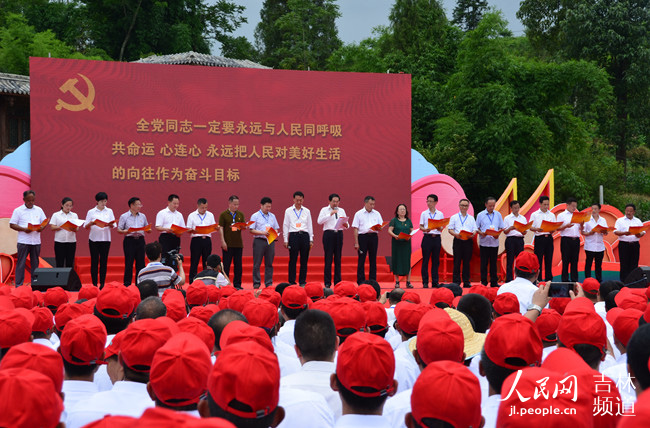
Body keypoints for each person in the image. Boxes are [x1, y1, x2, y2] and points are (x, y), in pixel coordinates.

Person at [9, 190, 47, 286]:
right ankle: (19, 285)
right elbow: (12, 224)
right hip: (24, 241)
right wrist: (24, 229)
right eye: (29, 200)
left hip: (36, 241)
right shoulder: (18, 210)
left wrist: (41, 228)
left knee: (35, 264)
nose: (31, 202)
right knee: (21, 263)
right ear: (24, 199)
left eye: (33, 200)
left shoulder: (39, 209)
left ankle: (35, 285)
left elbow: (44, 222)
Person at [84, 191, 115, 288]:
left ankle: (102, 283)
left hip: (106, 239)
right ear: (97, 201)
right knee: (94, 261)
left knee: (104, 262)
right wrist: (92, 223)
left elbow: (114, 225)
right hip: (94, 239)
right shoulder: (91, 212)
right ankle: (94, 284)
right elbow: (85, 226)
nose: (104, 203)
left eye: (105, 201)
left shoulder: (109, 211)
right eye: (102, 201)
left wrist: (110, 224)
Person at [283, 191, 314, 286]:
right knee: (293, 259)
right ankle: (292, 281)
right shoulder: (288, 211)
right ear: (293, 199)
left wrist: (311, 238)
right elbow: (286, 225)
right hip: (293, 235)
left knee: (304, 260)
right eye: (297, 200)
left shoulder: (307, 211)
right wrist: (285, 239)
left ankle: (302, 281)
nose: (299, 202)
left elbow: (310, 225)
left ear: (303, 200)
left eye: (300, 200)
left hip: (304, 235)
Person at [117, 197, 149, 286]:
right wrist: (126, 231)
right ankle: (127, 284)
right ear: (131, 205)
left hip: (140, 241)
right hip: (129, 241)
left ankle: (140, 284)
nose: (139, 206)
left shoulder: (143, 216)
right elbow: (119, 229)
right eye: (137, 204)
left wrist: (148, 230)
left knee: (141, 263)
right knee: (129, 263)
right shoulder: (124, 216)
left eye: (140, 204)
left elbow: (147, 227)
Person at [250, 196, 280, 289]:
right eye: (267, 206)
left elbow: (276, 227)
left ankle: (268, 282)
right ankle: (256, 282)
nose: (268, 208)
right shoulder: (255, 215)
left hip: (270, 241)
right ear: (261, 205)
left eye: (270, 207)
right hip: (259, 240)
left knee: (269, 263)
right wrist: (263, 232)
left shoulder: (272, 216)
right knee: (257, 263)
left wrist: (274, 232)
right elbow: (251, 230)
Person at [318, 193, 347, 287]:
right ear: (329, 201)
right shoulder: (324, 210)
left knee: (338, 258)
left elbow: (346, 223)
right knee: (328, 259)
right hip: (329, 234)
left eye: (337, 201)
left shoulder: (341, 210)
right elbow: (319, 221)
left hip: (339, 234)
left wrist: (346, 225)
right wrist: (330, 214)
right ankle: (327, 282)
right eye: (334, 201)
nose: (335, 203)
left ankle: (338, 282)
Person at [352, 196, 383, 284]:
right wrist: (356, 243)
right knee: (361, 259)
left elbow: (380, 226)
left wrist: (379, 227)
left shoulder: (377, 213)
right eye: (370, 204)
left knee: (373, 259)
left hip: (373, 237)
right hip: (363, 237)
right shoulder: (358, 214)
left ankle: (373, 281)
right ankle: (361, 281)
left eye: (373, 204)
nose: (372, 206)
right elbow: (355, 228)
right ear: (365, 203)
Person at [447, 198, 477, 288]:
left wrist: (472, 235)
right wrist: (456, 234)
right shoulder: (454, 217)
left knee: (467, 262)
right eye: (462, 205)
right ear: (459, 206)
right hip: (458, 240)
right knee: (457, 261)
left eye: (466, 205)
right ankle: (456, 282)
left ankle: (466, 281)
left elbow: (474, 229)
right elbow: (450, 229)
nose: (464, 207)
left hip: (468, 241)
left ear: (468, 207)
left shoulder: (471, 218)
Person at [476, 196, 505, 287]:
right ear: (486, 205)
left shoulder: (498, 214)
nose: (492, 207)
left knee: (493, 263)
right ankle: (483, 281)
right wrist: (482, 233)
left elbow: (501, 227)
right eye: (490, 206)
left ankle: (493, 282)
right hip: (484, 242)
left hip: (494, 242)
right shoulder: (480, 215)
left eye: (493, 205)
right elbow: (476, 228)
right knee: (483, 263)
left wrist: (498, 234)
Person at [187, 197, 217, 283]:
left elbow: (213, 227)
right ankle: (192, 281)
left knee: (207, 262)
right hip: (196, 240)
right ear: (198, 206)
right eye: (202, 208)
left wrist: (215, 228)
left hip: (207, 240)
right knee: (194, 261)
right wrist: (193, 230)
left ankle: (207, 280)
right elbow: (188, 229)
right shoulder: (191, 215)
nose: (204, 209)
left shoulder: (210, 215)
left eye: (206, 207)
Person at [615, 203, 646, 282]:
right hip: (624, 245)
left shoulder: (638, 221)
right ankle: (624, 282)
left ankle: (633, 281)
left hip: (635, 245)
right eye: (627, 211)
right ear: (625, 211)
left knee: (634, 263)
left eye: (630, 211)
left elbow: (643, 231)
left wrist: (639, 234)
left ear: (634, 212)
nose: (628, 213)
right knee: (624, 264)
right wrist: (624, 233)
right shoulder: (620, 220)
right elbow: (615, 232)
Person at [218, 195, 245, 289]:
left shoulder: (240, 214)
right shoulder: (223, 214)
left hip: (238, 244)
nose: (236, 206)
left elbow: (243, 227)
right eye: (234, 204)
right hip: (227, 244)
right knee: (226, 265)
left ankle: (237, 284)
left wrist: (242, 226)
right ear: (229, 203)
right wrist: (222, 241)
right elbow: (220, 228)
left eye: (237, 204)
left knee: (238, 266)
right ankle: (225, 285)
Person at [419, 194, 444, 289]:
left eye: (430, 201)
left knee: (435, 261)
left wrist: (438, 227)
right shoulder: (424, 213)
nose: (428, 203)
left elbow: (441, 227)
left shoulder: (440, 214)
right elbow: (421, 226)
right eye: (427, 201)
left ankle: (435, 281)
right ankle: (425, 282)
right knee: (425, 260)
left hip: (437, 238)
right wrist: (425, 229)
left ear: (436, 202)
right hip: (427, 237)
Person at [530, 195, 556, 282]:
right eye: (544, 204)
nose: (546, 206)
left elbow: (554, 226)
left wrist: (553, 230)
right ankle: (538, 279)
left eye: (547, 204)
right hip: (539, 238)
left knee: (549, 259)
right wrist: (537, 229)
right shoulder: (535, 214)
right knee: (538, 260)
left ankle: (549, 279)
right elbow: (530, 227)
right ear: (540, 204)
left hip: (549, 238)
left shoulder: (551, 214)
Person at [50, 196, 80, 268]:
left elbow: (77, 229)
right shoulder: (56, 215)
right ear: (62, 205)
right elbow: (52, 227)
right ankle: (59, 279)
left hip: (71, 241)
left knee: (69, 263)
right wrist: (62, 227)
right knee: (59, 262)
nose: (68, 207)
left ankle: (68, 279)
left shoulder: (74, 215)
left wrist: (72, 228)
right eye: (66, 205)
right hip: (60, 242)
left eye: (70, 206)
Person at [388, 204, 413, 288]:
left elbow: (412, 231)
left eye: (404, 209)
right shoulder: (394, 220)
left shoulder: (408, 221)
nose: (403, 210)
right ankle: (397, 281)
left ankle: (408, 281)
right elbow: (389, 230)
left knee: (407, 261)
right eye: (401, 209)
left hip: (406, 243)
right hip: (397, 243)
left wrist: (410, 236)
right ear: (397, 211)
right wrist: (395, 235)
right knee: (397, 260)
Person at [582, 203, 609, 282]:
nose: (593, 210)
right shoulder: (587, 219)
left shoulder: (603, 220)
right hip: (590, 245)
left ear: (599, 210)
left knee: (598, 265)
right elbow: (583, 232)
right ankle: (588, 280)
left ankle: (599, 280)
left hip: (600, 246)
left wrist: (604, 231)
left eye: (595, 209)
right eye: (592, 209)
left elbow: (606, 232)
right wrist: (590, 233)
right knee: (588, 264)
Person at [556, 197, 581, 282]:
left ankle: (574, 280)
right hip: (566, 240)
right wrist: (566, 226)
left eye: (575, 206)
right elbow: (557, 228)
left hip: (576, 240)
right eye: (572, 206)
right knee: (565, 261)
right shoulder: (561, 215)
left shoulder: (577, 215)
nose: (574, 208)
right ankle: (565, 280)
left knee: (575, 261)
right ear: (567, 205)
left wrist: (582, 223)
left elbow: (581, 228)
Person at [502, 199, 526, 282]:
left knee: (520, 260)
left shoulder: (522, 218)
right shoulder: (507, 218)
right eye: (515, 208)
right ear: (511, 208)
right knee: (510, 260)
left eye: (518, 207)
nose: (517, 209)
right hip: (510, 240)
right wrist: (511, 228)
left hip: (520, 240)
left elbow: (525, 232)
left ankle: (520, 279)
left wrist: (521, 230)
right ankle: (509, 279)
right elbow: (505, 231)